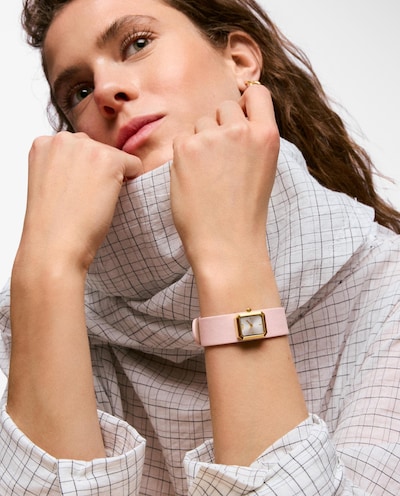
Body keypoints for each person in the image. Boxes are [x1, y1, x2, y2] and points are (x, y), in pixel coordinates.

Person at [0, 0, 399, 494]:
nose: (104, 90)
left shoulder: (388, 293)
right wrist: (47, 268)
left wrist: (227, 250)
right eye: (78, 91)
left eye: (137, 44)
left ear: (240, 61)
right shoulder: (48, 314)